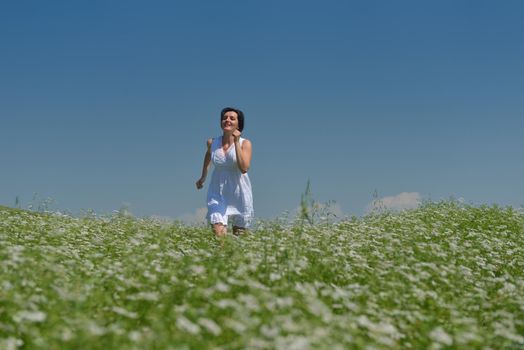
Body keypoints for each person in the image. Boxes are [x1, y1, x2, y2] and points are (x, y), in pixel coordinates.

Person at [195, 107, 254, 237]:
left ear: (239, 124)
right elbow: (208, 156)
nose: (227, 120)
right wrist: (203, 177)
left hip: (239, 193)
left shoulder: (245, 143)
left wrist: (237, 143)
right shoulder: (212, 142)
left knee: (240, 237)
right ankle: (221, 253)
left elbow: (244, 168)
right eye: (225, 118)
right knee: (218, 234)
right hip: (217, 192)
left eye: (232, 118)